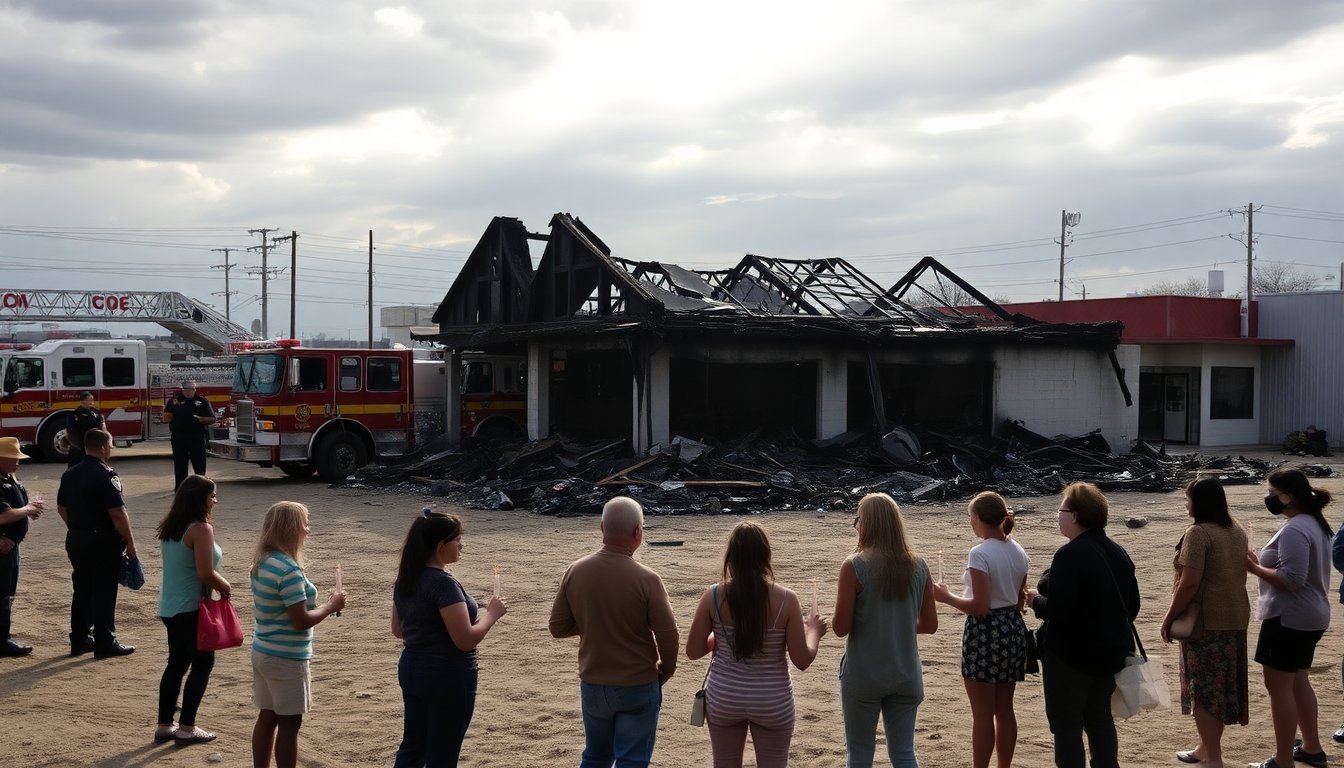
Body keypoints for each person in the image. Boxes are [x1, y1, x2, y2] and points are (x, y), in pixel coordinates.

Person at [549, 496, 679, 768]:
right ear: (637, 532)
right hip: (637, 682)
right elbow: (668, 634)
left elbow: (558, 627)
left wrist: (591, 622)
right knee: (632, 759)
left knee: (595, 756)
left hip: (594, 682)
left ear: (602, 529)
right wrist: (666, 669)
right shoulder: (647, 578)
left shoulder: (575, 570)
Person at [685, 522, 828, 768]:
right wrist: (813, 632)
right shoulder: (786, 599)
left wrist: (719, 636)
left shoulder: (714, 596)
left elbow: (693, 651)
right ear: (766, 556)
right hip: (772, 699)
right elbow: (802, 660)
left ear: (731, 557)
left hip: (724, 696)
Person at [1026, 482, 1139, 768]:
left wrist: (1034, 600)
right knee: (1100, 719)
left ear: (1074, 515)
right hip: (1110, 653)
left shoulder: (1069, 554)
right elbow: (1133, 606)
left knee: (1066, 726)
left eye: (1061, 509)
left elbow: (1058, 610)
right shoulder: (1118, 551)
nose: (1058, 515)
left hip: (1070, 658)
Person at [391, 509, 508, 767]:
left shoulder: (407, 577)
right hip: (446, 674)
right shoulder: (442, 584)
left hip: (412, 667)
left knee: (413, 746)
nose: (461, 545)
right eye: (457, 540)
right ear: (442, 546)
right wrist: (491, 615)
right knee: (443, 752)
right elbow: (465, 640)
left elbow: (399, 630)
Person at [832, 492, 938, 768]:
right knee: (904, 752)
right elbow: (930, 624)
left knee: (859, 753)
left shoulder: (854, 566)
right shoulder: (919, 565)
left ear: (865, 524)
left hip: (864, 674)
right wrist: (897, 623)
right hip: (905, 672)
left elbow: (840, 628)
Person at [932, 491, 1030, 768]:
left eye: (971, 517)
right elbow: (1020, 599)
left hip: (986, 630)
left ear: (977, 518)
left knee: (983, 713)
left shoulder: (980, 552)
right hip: (1012, 626)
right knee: (1005, 709)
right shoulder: (1017, 549)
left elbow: (980, 606)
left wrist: (946, 596)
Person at [1159, 478, 1250, 768]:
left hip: (1206, 623)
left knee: (1202, 692)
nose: (1185, 503)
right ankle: (1206, 747)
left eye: (1187, 498)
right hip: (1235, 618)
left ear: (1199, 502)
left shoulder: (1198, 533)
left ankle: (1214, 757)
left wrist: (1169, 617)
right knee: (1219, 690)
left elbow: (1189, 583)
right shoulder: (1234, 528)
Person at [1247, 468, 1333, 768]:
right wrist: (1262, 564)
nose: (1269, 499)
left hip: (1290, 617)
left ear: (1288, 496)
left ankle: (1283, 759)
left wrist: (1255, 569)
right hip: (1309, 614)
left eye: (1272, 494)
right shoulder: (1312, 523)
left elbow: (1292, 579)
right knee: (1298, 681)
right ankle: (1311, 748)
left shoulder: (1297, 528)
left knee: (1279, 687)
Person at [250, 501, 346, 768]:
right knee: (290, 724)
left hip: (263, 649)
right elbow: (301, 620)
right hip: (286, 656)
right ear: (291, 528)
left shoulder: (263, 562)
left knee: (267, 718)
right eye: (305, 523)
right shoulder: (289, 570)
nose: (308, 530)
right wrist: (329, 606)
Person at [155, 475, 231, 746]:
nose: (215, 501)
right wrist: (226, 586)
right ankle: (187, 727)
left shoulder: (171, 526)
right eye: (212, 496)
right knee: (202, 664)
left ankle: (165, 725)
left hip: (169, 605)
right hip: (191, 607)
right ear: (200, 499)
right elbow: (205, 572)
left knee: (176, 664)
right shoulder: (200, 529)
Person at [56, 428, 137, 658]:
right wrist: (130, 544)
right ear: (102, 448)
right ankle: (105, 641)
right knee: (104, 591)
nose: (110, 449)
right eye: (110, 445)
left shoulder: (70, 473)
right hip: (102, 540)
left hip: (76, 538)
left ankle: (80, 639)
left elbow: (62, 508)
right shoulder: (107, 475)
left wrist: (78, 528)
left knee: (82, 589)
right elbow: (118, 514)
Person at [0, 436, 44, 657]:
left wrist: (29, 511)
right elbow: (3, 515)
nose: (18, 462)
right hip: (2, 547)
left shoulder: (10, 478)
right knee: (2, 594)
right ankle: (2, 640)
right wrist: (27, 509)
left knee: (8, 593)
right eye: (13, 458)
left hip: (11, 546)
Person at [163, 380, 216, 490]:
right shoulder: (174, 401)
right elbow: (166, 418)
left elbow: (212, 419)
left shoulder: (201, 401)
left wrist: (202, 419)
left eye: (191, 389)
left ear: (195, 390)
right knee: (180, 465)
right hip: (179, 437)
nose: (189, 391)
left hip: (196, 437)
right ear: (183, 390)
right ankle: (180, 489)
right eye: (186, 389)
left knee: (199, 464)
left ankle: (201, 488)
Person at [64, 391, 104, 467]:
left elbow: (102, 428)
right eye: (89, 400)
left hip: (93, 448)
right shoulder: (74, 415)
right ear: (82, 402)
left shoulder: (96, 414)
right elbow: (69, 433)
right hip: (78, 449)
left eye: (92, 400)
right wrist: (77, 446)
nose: (91, 402)